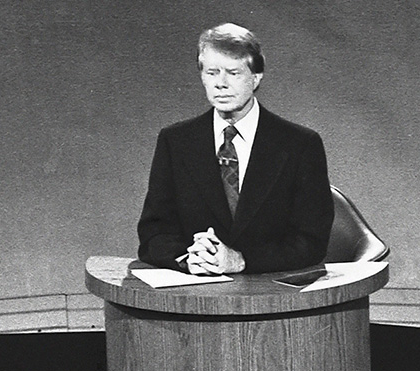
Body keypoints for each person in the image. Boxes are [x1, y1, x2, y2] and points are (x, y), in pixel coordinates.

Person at [138, 23, 333, 275]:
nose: (221, 83)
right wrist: (187, 259)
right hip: (197, 294)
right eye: (211, 72)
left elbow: (312, 242)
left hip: (272, 295)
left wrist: (242, 260)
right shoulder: (175, 141)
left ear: (256, 77)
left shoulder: (300, 144)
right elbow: (153, 233)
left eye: (233, 72)